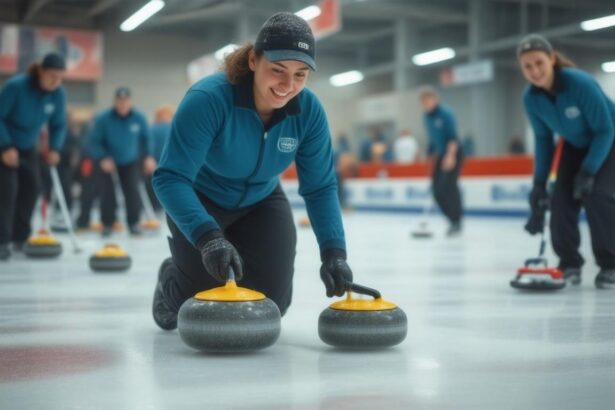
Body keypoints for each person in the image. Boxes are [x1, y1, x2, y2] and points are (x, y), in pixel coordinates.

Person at [151, 12, 353, 330]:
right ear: (254, 61)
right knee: (197, 299)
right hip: (203, 198)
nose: (288, 85)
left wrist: (334, 252)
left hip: (261, 198)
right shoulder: (209, 99)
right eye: (278, 70)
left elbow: (320, 187)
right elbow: (170, 177)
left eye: (300, 74)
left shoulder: (309, 111)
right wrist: (208, 238)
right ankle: (171, 281)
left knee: (272, 303)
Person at [518, 34, 615, 288]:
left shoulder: (579, 84)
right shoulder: (531, 99)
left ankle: (611, 264)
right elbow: (542, 140)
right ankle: (569, 262)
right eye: (527, 66)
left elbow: (605, 129)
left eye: (539, 62)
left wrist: (589, 170)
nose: (535, 71)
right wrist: (539, 183)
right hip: (575, 145)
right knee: (559, 199)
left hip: (608, 140)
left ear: (551, 59)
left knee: (597, 195)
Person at [0, 52, 67, 260]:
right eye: (51, 76)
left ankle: (20, 237)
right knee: (7, 191)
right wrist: (5, 146)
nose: (56, 81)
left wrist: (55, 148)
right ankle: (2, 241)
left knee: (32, 187)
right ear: (40, 71)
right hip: (5, 142)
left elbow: (58, 124)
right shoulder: (16, 87)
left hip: (28, 147)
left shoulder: (57, 94)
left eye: (60, 77)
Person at [88, 87, 156, 236]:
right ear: (115, 101)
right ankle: (107, 223)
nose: (122, 104)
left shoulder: (139, 117)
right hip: (108, 161)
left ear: (130, 101)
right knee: (107, 193)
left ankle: (133, 223)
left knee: (132, 191)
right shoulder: (103, 118)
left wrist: (149, 156)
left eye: (125, 101)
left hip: (130, 160)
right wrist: (102, 157)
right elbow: (94, 141)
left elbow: (147, 139)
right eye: (119, 101)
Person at [419, 86, 464, 236]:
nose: (427, 104)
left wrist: (450, 156)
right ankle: (451, 220)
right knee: (436, 190)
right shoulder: (426, 117)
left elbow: (453, 137)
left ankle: (456, 222)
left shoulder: (445, 113)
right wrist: (430, 153)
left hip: (454, 152)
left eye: (429, 101)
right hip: (440, 155)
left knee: (448, 187)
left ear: (435, 100)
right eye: (424, 102)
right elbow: (433, 139)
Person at [146, 105, 174, 211]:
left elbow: (148, 146)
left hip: (155, 163)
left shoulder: (152, 128)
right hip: (171, 163)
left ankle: (156, 207)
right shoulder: (173, 127)